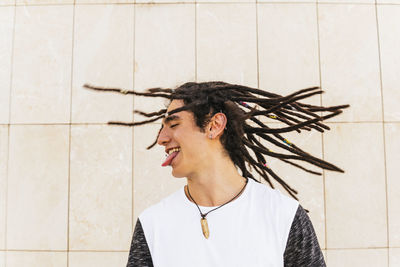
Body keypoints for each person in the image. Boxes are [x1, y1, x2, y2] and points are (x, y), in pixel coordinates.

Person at [84, 81, 349, 267]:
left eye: (173, 124)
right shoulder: (153, 224)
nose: (162, 138)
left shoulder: (282, 215)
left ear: (215, 126)